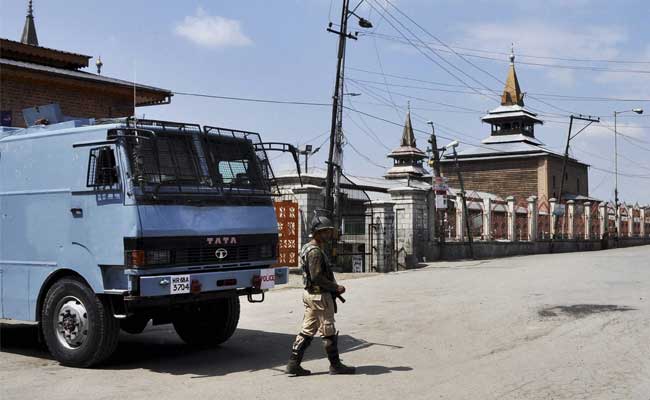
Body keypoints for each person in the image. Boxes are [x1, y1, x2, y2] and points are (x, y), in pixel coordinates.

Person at [285, 210, 355, 376]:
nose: (328, 234)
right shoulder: (315, 251)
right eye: (325, 231)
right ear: (317, 232)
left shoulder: (307, 248)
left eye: (329, 231)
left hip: (311, 295)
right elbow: (316, 276)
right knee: (328, 330)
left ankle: (293, 363)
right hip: (320, 296)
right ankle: (336, 365)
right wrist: (335, 287)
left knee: (307, 329)